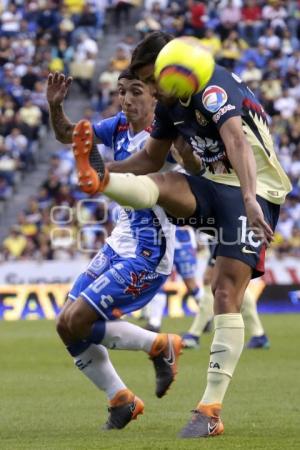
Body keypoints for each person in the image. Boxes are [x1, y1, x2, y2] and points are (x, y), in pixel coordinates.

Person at [54, 31, 291, 438]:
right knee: (161, 182)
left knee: (224, 293)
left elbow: (236, 139)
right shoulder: (169, 102)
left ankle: (210, 409)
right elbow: (150, 158)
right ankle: (101, 182)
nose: (149, 87)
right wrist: (106, 175)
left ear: (169, 67)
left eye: (149, 77)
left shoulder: (213, 87)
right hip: (214, 182)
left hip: (254, 189)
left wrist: (251, 199)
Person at [46, 69, 183, 430]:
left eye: (136, 92)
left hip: (149, 251)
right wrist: (55, 107)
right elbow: (68, 135)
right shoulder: (119, 125)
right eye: (122, 91)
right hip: (119, 240)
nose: (126, 99)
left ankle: (159, 344)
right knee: (65, 324)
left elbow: (172, 167)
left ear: (156, 97)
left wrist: (104, 172)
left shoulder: (167, 135)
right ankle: (121, 399)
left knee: (79, 321)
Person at [182, 241, 270, 349]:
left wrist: (212, 263)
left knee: (209, 284)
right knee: (238, 288)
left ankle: (194, 335)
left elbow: (220, 235)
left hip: (227, 251)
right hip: (236, 250)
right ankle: (259, 335)